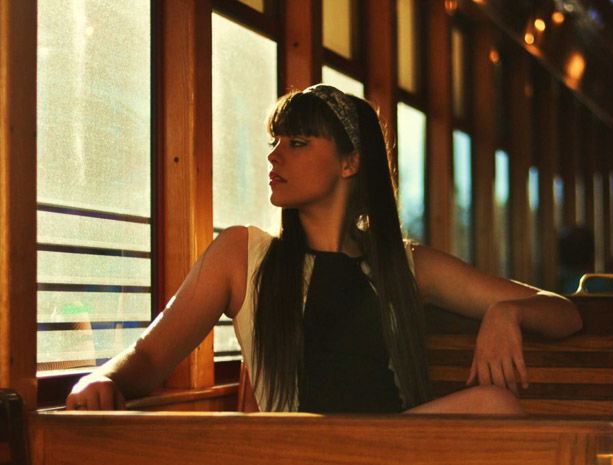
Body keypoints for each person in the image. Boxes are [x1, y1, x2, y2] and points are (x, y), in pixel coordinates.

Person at [66, 85, 581, 414]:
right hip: (297, 448)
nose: (274, 156)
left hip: (394, 445)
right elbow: (150, 357)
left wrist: (506, 312)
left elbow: (564, 314)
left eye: (296, 143)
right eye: (275, 142)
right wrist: (101, 377)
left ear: (350, 163)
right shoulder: (242, 254)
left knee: (497, 404)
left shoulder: (405, 264)